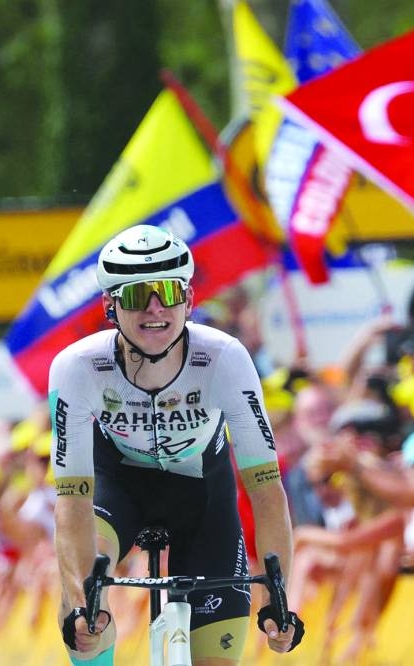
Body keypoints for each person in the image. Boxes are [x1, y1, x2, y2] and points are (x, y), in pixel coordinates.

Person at [48, 225, 302, 665]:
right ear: (110, 306)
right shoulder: (76, 368)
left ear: (188, 300)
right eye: (135, 296)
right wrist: (80, 599)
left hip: (203, 495)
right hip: (117, 490)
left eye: (167, 292)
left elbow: (266, 490)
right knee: (89, 603)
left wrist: (276, 596)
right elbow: (71, 503)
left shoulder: (226, 359)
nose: (154, 309)